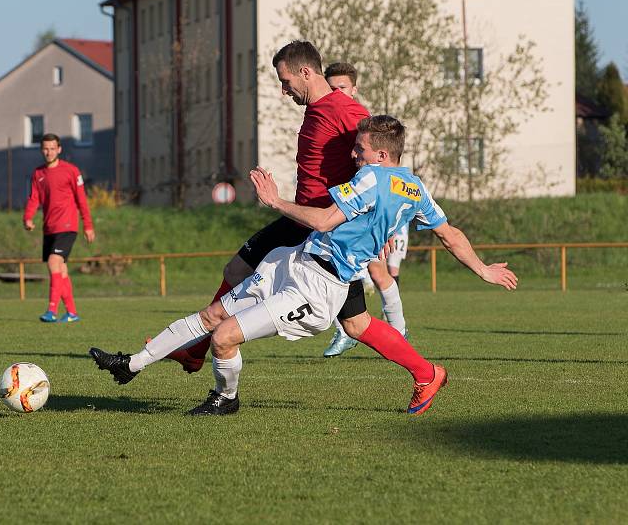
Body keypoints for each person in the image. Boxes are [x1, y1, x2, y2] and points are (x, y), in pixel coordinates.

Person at [89, 115, 518, 416]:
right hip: (292, 261)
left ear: (382, 154)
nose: (353, 154)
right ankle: (132, 365)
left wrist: (275, 201)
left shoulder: (371, 177)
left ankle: (226, 398)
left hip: (317, 288)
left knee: (223, 336)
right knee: (214, 315)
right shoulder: (416, 187)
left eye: (360, 148)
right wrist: (482, 270)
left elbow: (325, 219)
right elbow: (450, 233)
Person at [163, 41, 370, 373]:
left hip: (323, 227)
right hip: (300, 218)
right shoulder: (315, 110)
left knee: (357, 324)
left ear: (305, 72)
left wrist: (379, 217)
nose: (283, 90)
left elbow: (375, 164)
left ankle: (426, 372)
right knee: (236, 271)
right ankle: (195, 350)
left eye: (285, 81)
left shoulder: (345, 110)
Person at [322, 62, 408, 357]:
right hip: (343, 205)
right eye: (330, 88)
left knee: (378, 271)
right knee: (334, 266)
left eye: (341, 88)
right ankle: (346, 329)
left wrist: (382, 225)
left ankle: (398, 332)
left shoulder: (360, 123)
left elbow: (383, 172)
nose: (335, 93)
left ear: (354, 90)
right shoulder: (326, 118)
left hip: (369, 208)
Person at [23, 133, 95, 323]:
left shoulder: (71, 171)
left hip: (68, 225)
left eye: (52, 148)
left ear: (59, 149)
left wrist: (88, 225)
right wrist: (28, 218)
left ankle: (51, 311)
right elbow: (34, 198)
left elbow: (82, 200)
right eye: (45, 149)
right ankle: (72, 312)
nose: (49, 152)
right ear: (41, 150)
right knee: (60, 269)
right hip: (49, 227)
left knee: (54, 262)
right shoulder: (38, 174)